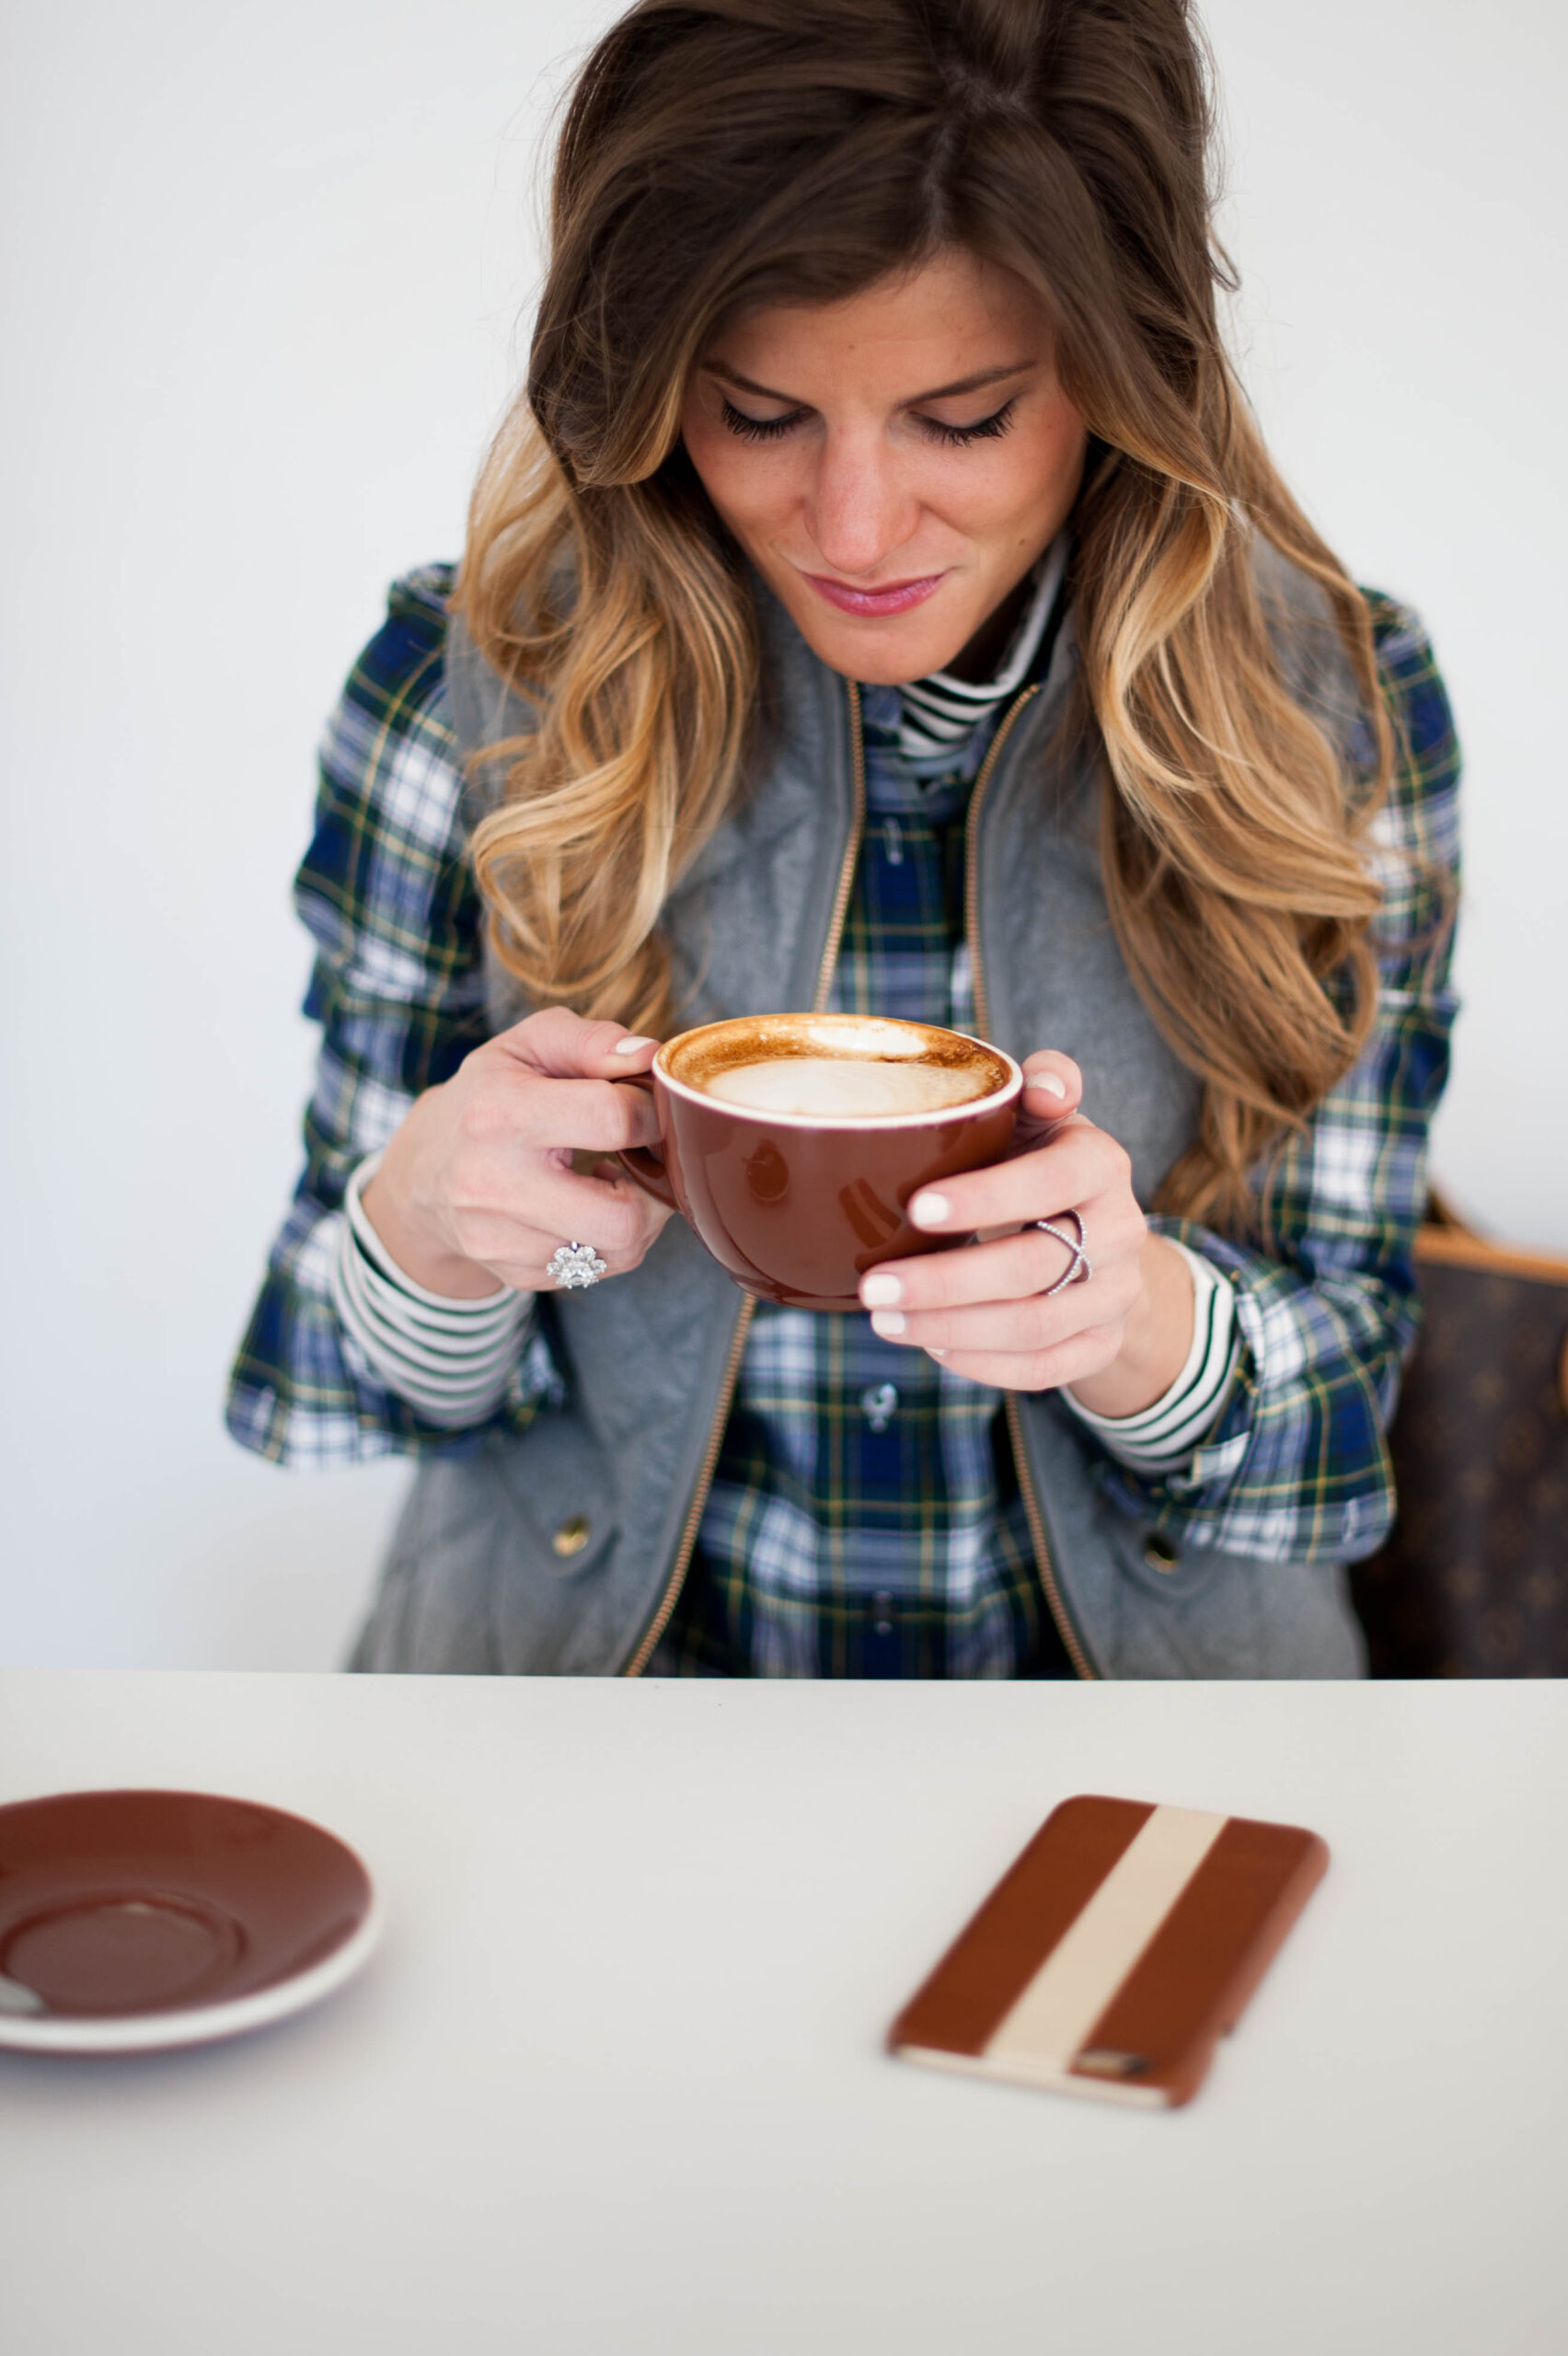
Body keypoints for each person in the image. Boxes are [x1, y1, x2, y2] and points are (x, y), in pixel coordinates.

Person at [228, 0, 1458, 1680]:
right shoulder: (467, 683)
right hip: (578, 1739)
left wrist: (1139, 1330)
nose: (858, 529)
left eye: (960, 419)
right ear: (652, 387)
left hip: (1148, 1775)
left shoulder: (1341, 703)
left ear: (1123, 368)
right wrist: (428, 1228)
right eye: (757, 416)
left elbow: (1337, 1448)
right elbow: (342, 1377)